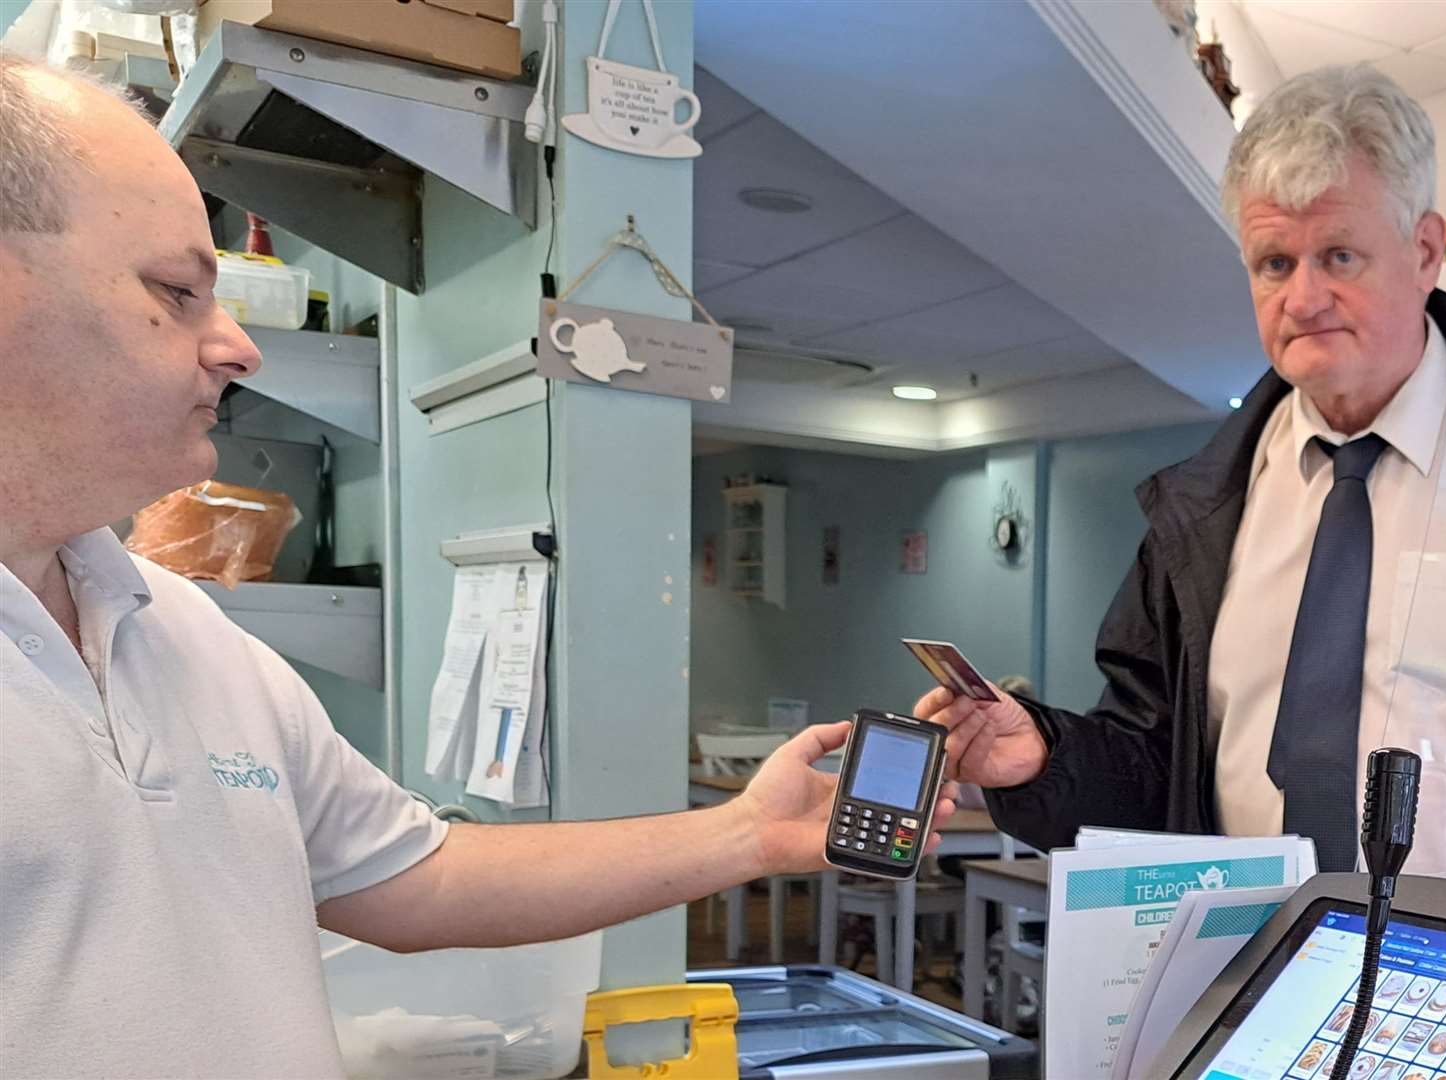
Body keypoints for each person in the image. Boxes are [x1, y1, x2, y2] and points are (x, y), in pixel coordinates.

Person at [0, 55, 954, 1077]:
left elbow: (424, 878)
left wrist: (746, 838)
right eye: (179, 291)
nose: (237, 346)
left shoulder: (181, 629)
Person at [920, 63, 1446, 902]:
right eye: (1274, 263)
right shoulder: (1202, 503)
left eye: (1339, 255)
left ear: (1425, 251)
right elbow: (1153, 768)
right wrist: (1038, 757)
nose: (1304, 297)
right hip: (1253, 973)